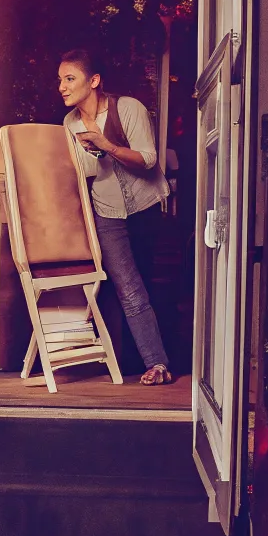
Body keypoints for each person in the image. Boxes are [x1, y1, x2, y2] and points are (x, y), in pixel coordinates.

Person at [58, 47, 174, 386]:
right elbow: (86, 171)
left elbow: (148, 160)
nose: (62, 87)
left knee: (155, 284)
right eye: (60, 80)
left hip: (147, 206)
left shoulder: (128, 108)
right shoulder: (70, 124)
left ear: (93, 81)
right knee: (127, 288)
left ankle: (167, 359)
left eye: (70, 79)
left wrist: (105, 145)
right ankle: (154, 363)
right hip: (106, 212)